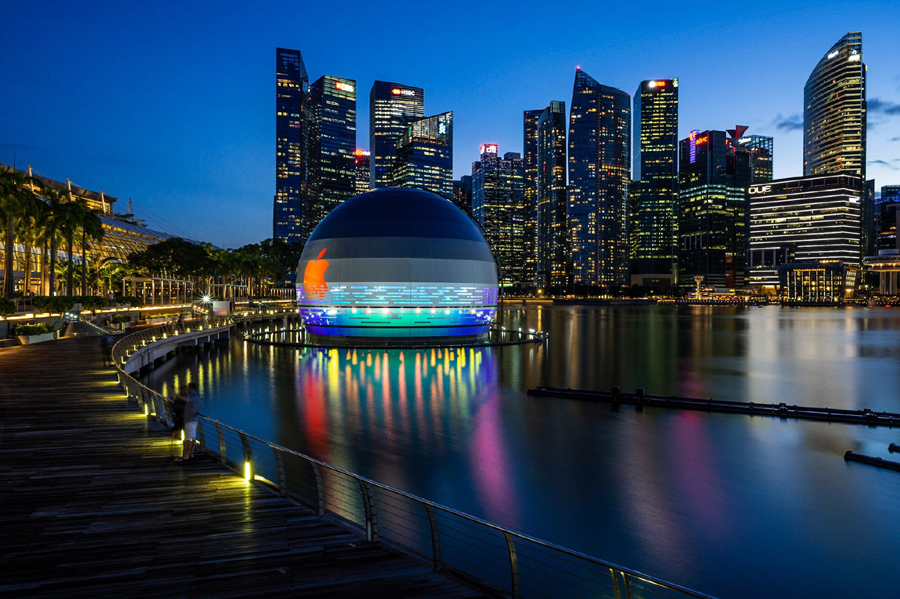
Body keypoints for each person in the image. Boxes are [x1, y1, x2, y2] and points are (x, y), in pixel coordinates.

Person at [175, 382, 201, 461]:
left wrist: (175, 394)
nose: (187, 390)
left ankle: (185, 455)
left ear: (192, 388)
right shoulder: (196, 396)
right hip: (193, 420)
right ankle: (190, 453)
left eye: (188, 388)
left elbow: (185, 399)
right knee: (193, 437)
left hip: (190, 420)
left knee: (188, 438)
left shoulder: (193, 397)